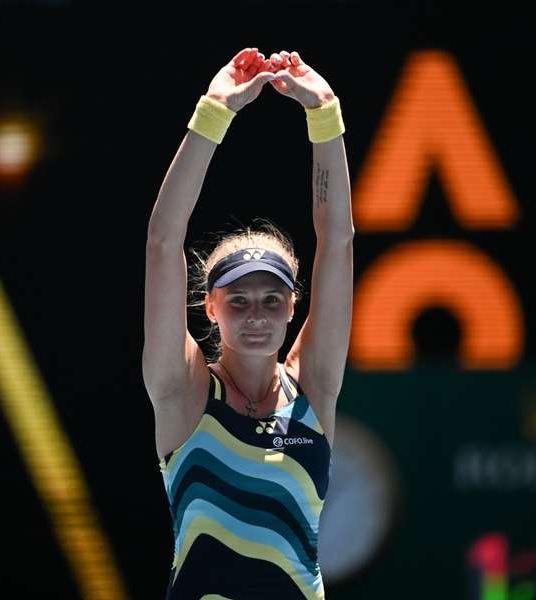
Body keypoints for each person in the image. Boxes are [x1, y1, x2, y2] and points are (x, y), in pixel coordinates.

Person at [143, 47, 353, 599]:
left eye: (270, 299)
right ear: (209, 307)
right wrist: (213, 112)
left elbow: (337, 241)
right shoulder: (182, 390)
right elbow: (164, 243)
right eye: (238, 301)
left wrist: (324, 112)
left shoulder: (314, 385)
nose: (256, 315)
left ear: (293, 306)